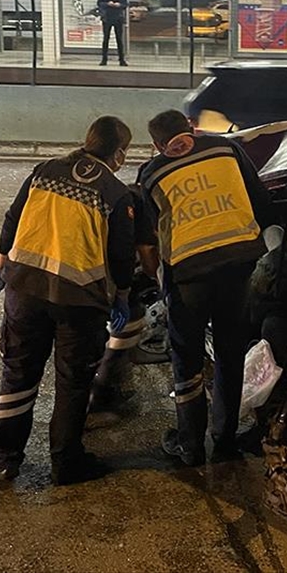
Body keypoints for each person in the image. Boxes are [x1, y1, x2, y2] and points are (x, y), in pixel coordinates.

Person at [0, 116, 136, 485]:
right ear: (118, 153)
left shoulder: (44, 170)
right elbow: (122, 255)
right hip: (78, 301)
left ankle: (5, 459)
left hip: (25, 290)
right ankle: (66, 464)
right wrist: (122, 295)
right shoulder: (114, 192)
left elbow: (12, 220)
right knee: (73, 383)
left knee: (17, 375)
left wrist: (1, 269)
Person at [137, 110, 274, 466]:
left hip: (189, 274)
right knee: (229, 353)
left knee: (187, 358)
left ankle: (191, 446)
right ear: (190, 128)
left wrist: (159, 279)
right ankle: (225, 441)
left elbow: (151, 238)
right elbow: (259, 198)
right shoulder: (225, 148)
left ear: (156, 145)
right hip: (238, 262)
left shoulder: (151, 173)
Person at [86, 121, 160, 429]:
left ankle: (105, 388)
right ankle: (100, 398)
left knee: (92, 341)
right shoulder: (137, 202)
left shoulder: (101, 188)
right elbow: (144, 257)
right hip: (104, 282)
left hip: (77, 277)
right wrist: (137, 287)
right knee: (129, 323)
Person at [97, 0, 127, 67]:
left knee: (119, 39)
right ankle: (104, 59)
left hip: (118, 17)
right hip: (107, 17)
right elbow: (99, 3)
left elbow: (125, 4)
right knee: (106, 38)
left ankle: (122, 60)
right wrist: (107, 4)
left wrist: (120, 5)